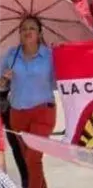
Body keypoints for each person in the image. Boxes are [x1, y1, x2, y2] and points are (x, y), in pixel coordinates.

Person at [1, 17, 56, 188]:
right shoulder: (11, 55)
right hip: (17, 115)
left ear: (40, 33)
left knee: (33, 158)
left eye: (32, 28)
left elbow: (62, 81)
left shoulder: (50, 56)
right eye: (24, 29)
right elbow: (1, 85)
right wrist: (4, 79)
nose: (27, 32)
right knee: (30, 161)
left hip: (43, 113)